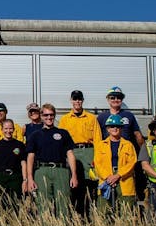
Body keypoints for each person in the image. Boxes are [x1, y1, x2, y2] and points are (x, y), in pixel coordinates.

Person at [26, 103, 79, 218]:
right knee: (43, 204)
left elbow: (70, 154)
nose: (49, 117)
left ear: (54, 115)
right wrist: (30, 178)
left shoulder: (63, 133)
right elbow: (30, 157)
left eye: (51, 115)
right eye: (46, 115)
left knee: (63, 203)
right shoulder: (35, 135)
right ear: (41, 115)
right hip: (42, 171)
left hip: (61, 171)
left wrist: (74, 175)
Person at [97, 86, 146, 203]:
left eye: (118, 97)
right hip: (108, 161)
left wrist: (144, 155)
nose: (115, 99)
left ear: (122, 99)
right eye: (112, 97)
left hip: (126, 158)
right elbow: (97, 137)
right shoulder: (101, 117)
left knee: (127, 197)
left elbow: (138, 135)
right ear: (108, 99)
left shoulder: (129, 116)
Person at [58, 89, 101, 218]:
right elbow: (61, 141)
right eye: (75, 99)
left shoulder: (92, 118)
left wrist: (97, 159)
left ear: (82, 100)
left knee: (90, 184)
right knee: (73, 183)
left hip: (88, 151)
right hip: (72, 152)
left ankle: (89, 214)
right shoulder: (65, 119)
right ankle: (74, 215)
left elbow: (98, 140)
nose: (77, 101)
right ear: (71, 101)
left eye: (79, 99)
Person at [94, 114, 137, 215]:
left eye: (118, 126)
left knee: (126, 212)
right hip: (106, 181)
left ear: (121, 128)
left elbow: (132, 162)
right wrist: (108, 177)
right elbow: (98, 163)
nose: (115, 128)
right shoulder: (101, 145)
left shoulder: (128, 145)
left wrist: (118, 175)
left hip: (124, 179)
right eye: (112, 126)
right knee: (104, 212)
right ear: (108, 129)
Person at [0, 119, 27, 211]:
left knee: (15, 205)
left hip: (16, 178)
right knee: (0, 205)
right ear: (2, 130)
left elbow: (23, 163)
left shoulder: (20, 145)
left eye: (10, 128)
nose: (8, 131)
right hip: (1, 178)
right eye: (6, 128)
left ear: (13, 129)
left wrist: (25, 180)